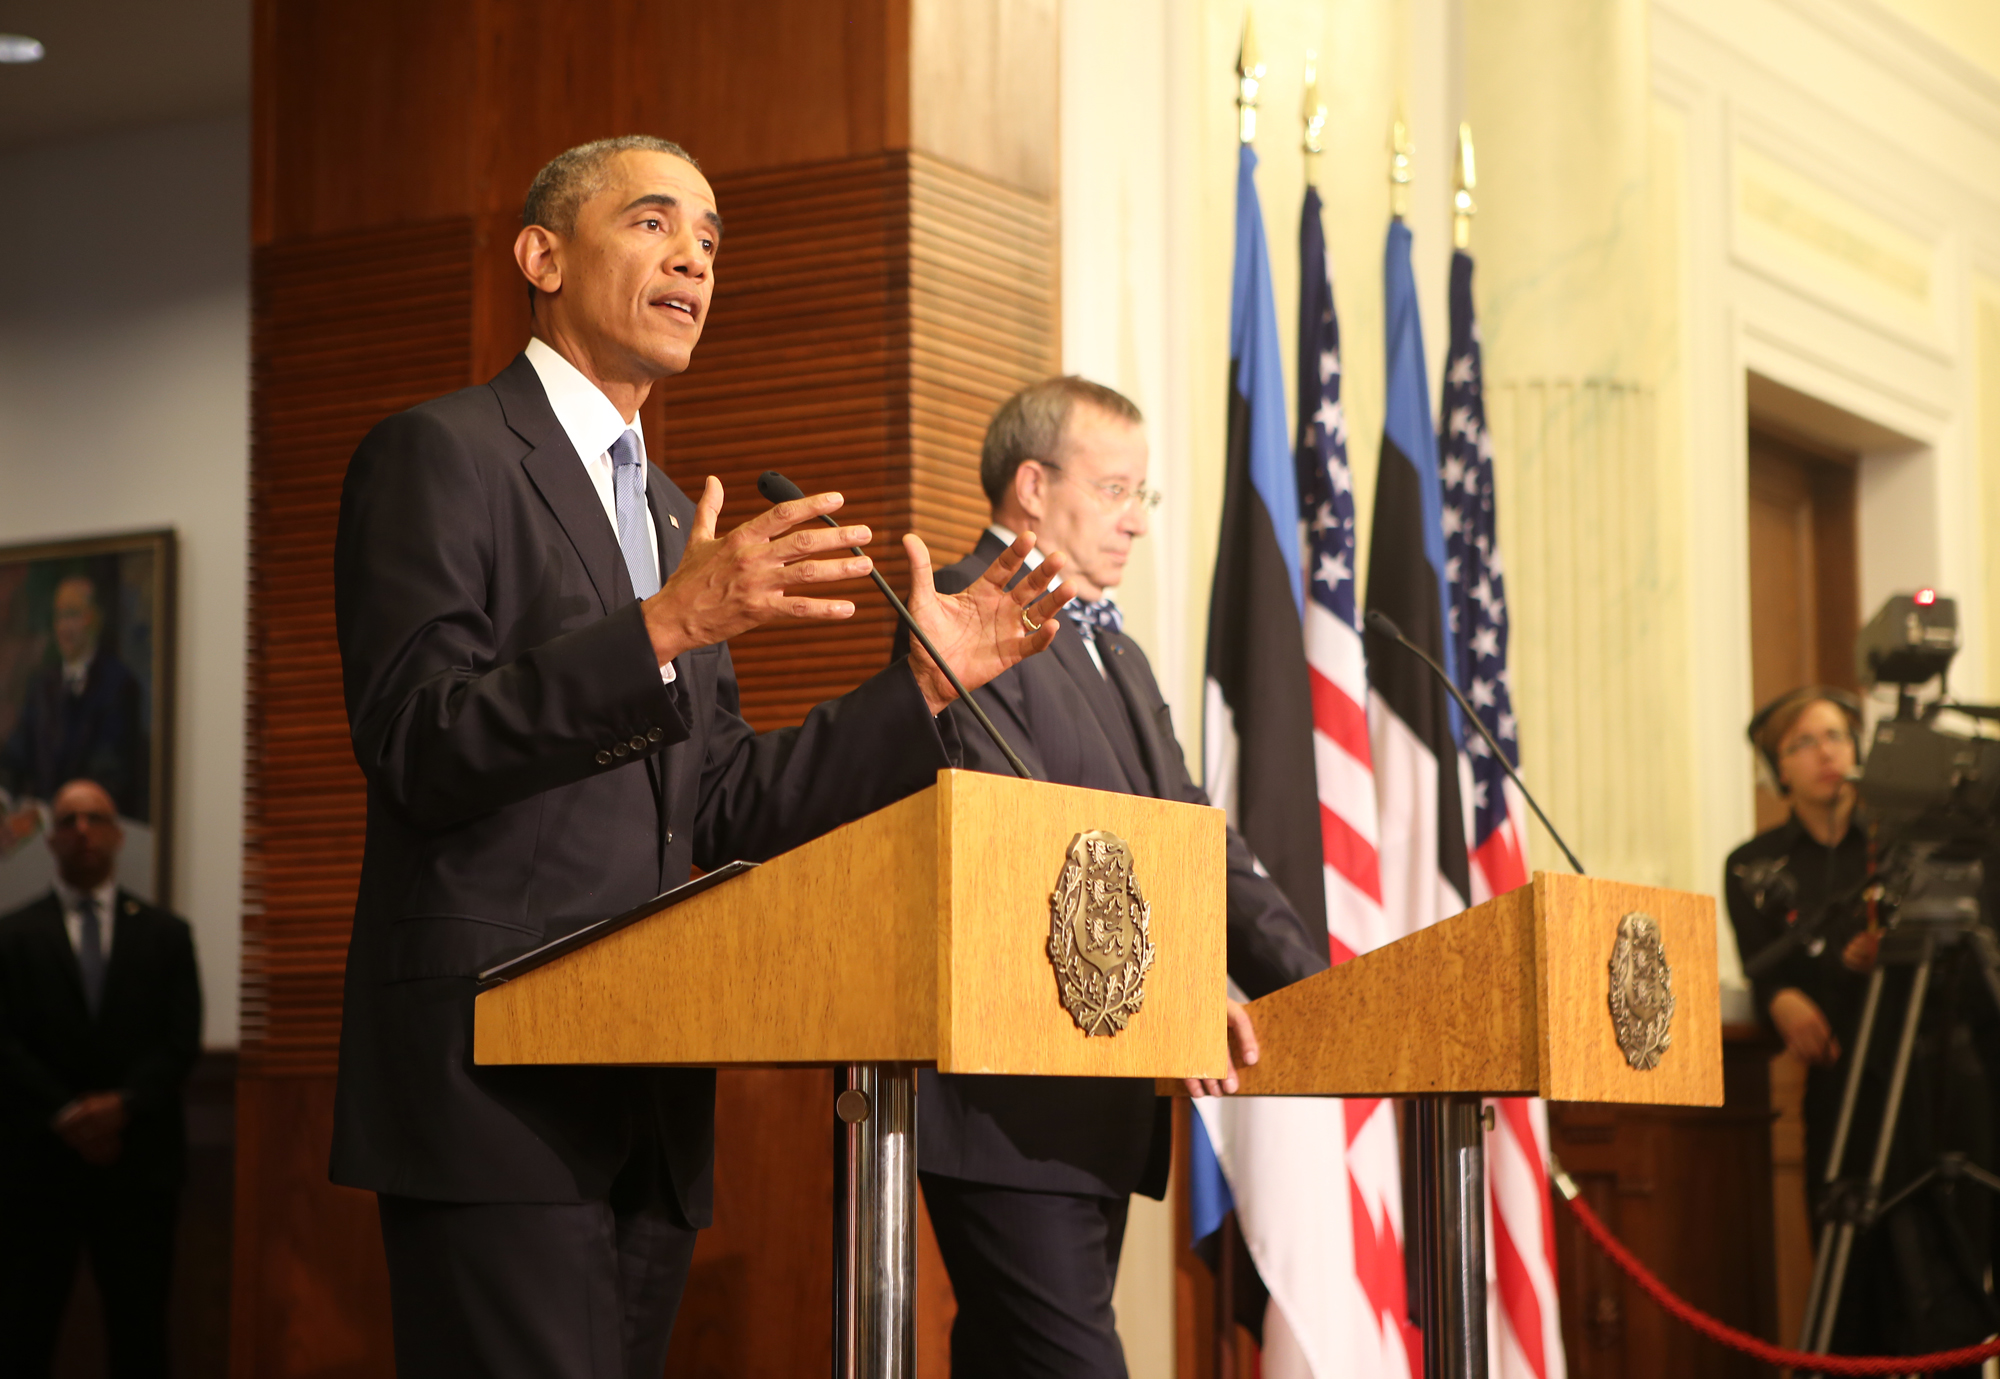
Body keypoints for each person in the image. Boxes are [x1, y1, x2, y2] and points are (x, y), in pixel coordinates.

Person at [329, 134, 1072, 1379]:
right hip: (492, 1088)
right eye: (654, 223)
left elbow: (723, 802)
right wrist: (667, 624)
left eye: (712, 238)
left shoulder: (679, 515)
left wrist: (918, 692)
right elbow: (417, 741)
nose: (693, 258)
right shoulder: (440, 454)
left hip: (651, 1098)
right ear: (542, 255)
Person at [900, 377, 1328, 1379]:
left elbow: (1190, 837)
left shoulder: (1115, 649)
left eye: (1145, 495)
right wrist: (1177, 997)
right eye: (1114, 488)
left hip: (1098, 1094)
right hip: (1009, 1102)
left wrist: (1318, 985)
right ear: (1033, 485)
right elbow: (1035, 848)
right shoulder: (961, 617)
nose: (1135, 519)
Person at [1725, 686, 1995, 1368]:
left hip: (1937, 1085)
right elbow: (1766, 963)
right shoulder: (1756, 865)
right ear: (1777, 768)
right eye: (1804, 742)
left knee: (1952, 1283)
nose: (1826, 753)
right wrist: (1775, 994)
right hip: (1847, 1089)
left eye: (1838, 736)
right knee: (1855, 1282)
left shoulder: (1904, 843)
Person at [0, 777, 202, 1378]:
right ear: (51, 840)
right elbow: (3, 1043)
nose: (81, 830)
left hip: (138, 1167)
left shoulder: (167, 934)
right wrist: (68, 1115)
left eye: (94, 818)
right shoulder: (10, 937)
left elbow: (179, 1041)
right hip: (36, 1173)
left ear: (116, 834)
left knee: (140, 1336)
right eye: (67, 820)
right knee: (21, 1334)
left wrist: (124, 1106)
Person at [1, 573, 150, 830]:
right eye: (60, 616)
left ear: (95, 619)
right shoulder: (43, 685)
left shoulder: (119, 685)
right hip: (40, 840)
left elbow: (106, 777)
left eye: (73, 614)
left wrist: (42, 814)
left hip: (90, 835)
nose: (64, 627)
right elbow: (15, 754)